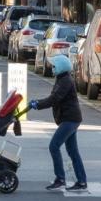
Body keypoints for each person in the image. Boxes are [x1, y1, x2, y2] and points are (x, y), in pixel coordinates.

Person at [29, 55, 87, 192]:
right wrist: (37, 103)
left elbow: (54, 99)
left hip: (70, 119)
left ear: (61, 67)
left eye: (54, 66)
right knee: (73, 151)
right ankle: (81, 181)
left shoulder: (66, 81)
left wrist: (37, 104)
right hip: (70, 119)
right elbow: (53, 98)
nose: (52, 68)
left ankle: (60, 179)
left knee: (54, 146)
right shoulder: (61, 79)